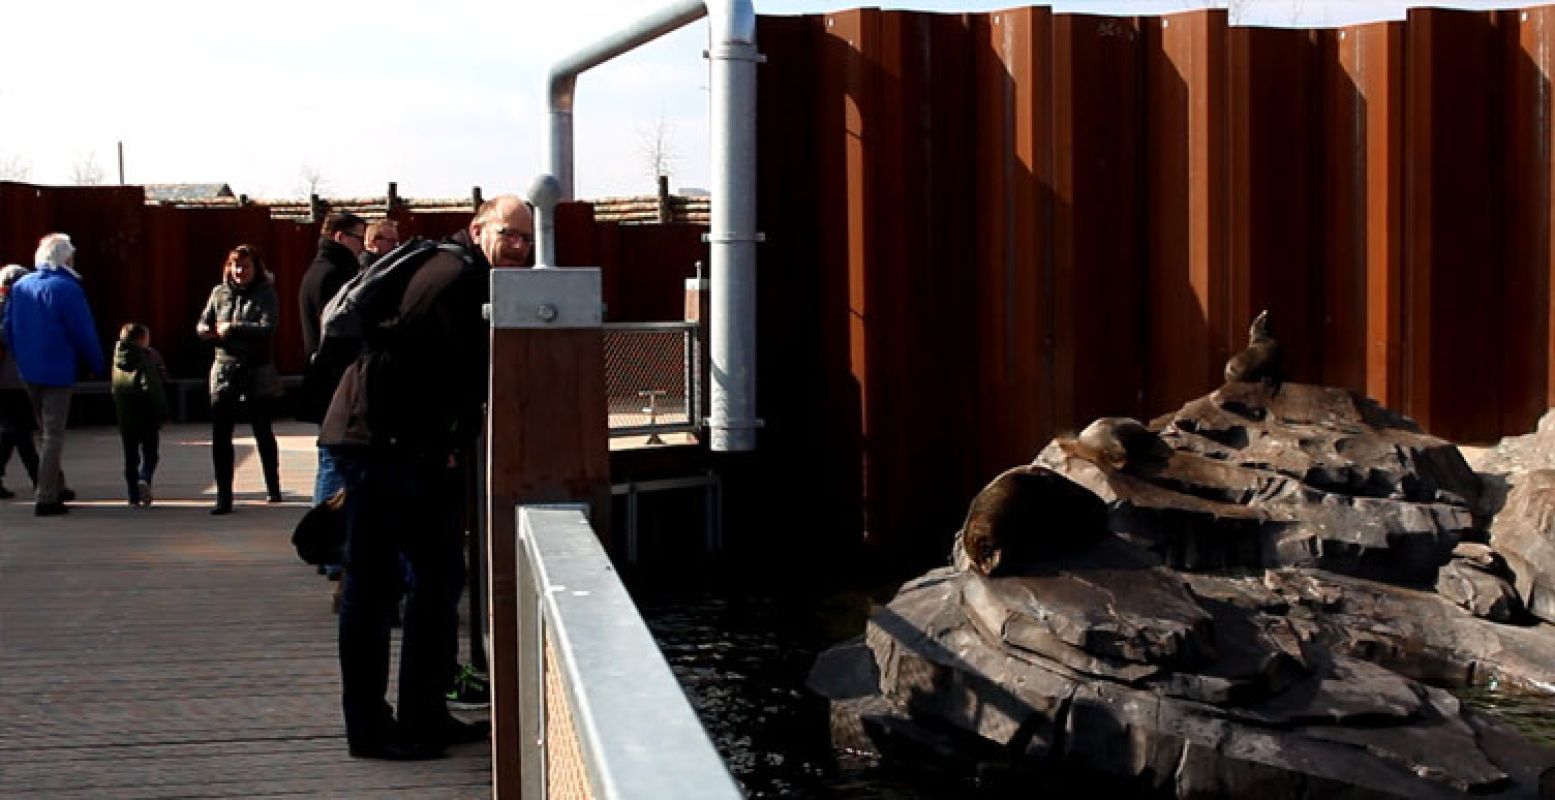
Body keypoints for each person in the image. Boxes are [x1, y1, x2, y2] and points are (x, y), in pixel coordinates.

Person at [321, 195, 532, 760]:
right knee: (372, 587)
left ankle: (423, 712)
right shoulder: (453, 275)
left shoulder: (467, 274)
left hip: (409, 446)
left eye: (526, 240)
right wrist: (429, 441)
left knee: (439, 578)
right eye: (509, 234)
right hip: (382, 445)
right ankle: (368, 729)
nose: (519, 248)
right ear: (478, 229)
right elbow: (397, 353)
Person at [1, 234, 105, 516]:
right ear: (66, 258)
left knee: (44, 431)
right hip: (58, 369)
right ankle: (47, 496)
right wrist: (97, 364)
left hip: (28, 369)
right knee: (53, 433)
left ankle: (55, 484)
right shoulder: (68, 289)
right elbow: (83, 331)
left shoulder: (21, 285)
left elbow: (6, 328)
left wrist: (20, 354)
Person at [299, 212, 369, 594]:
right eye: (359, 238)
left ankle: (325, 547)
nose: (362, 245)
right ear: (342, 237)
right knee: (332, 466)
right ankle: (330, 550)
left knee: (326, 463)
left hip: (321, 378)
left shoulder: (315, 270)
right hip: (335, 381)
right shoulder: (334, 275)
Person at [196, 244, 283, 515]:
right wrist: (204, 330)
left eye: (244, 266)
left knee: (262, 430)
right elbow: (204, 320)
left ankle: (273, 486)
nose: (239, 271)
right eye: (235, 266)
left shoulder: (266, 293)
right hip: (224, 370)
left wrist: (233, 328)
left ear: (255, 268)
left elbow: (268, 327)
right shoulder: (219, 292)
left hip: (256, 370)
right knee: (221, 435)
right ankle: (224, 496)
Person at [111, 322, 170, 507]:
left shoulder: (117, 360)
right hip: (147, 417)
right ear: (142, 340)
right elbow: (153, 389)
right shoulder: (147, 359)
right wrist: (163, 413)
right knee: (151, 454)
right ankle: (144, 478)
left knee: (130, 458)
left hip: (126, 418)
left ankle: (133, 496)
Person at [0, 264, 40, 499]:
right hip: (11, 377)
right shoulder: (13, 306)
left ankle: (42, 479)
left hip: (12, 377)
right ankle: (43, 480)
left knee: (17, 429)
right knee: (17, 428)